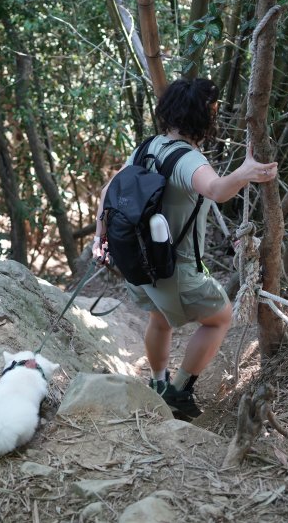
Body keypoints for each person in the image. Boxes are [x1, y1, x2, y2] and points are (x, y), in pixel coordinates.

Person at [92, 77, 278, 418]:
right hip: (174, 269)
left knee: (159, 318)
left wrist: (98, 236)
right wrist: (245, 173)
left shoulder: (147, 147)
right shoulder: (190, 161)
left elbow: (108, 190)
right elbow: (217, 190)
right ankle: (178, 391)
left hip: (139, 262)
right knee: (219, 318)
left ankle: (158, 383)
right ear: (205, 115)